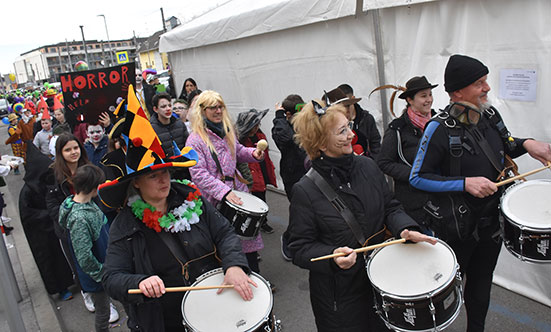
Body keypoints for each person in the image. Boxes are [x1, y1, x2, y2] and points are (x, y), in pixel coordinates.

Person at [409, 54, 551, 332]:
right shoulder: (437, 128)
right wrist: (465, 183)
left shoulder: (489, 115)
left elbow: (507, 144)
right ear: (458, 91)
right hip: (456, 229)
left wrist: (528, 143)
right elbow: (417, 178)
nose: (487, 88)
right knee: (445, 291)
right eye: (479, 83)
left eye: (485, 81)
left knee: (482, 284)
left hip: (490, 225)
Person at [99, 99, 255, 331]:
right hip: (165, 318)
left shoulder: (192, 197)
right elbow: (111, 277)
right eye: (153, 176)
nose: (164, 180)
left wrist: (234, 265)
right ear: (137, 183)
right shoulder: (126, 224)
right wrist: (139, 281)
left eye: (165, 172)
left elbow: (224, 233)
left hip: (215, 301)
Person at [287, 99, 435, 332]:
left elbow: (391, 207)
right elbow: (298, 248)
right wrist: (332, 255)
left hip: (382, 281)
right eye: (342, 131)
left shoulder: (367, 166)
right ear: (321, 144)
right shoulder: (305, 190)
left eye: (349, 126)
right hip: (340, 298)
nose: (351, 136)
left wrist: (405, 228)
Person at [186, 90, 266, 274]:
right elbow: (198, 173)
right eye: (213, 107)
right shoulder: (195, 140)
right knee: (226, 245)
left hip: (238, 191)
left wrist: (253, 154)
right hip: (215, 199)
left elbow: (237, 151)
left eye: (220, 106)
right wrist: (224, 192)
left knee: (248, 242)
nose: (218, 111)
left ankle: (254, 278)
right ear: (202, 110)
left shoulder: (226, 131)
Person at [377, 76, 438, 226]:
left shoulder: (439, 122)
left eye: (430, 94)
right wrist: (414, 174)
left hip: (439, 197)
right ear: (410, 100)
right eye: (423, 96)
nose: (429, 99)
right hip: (413, 203)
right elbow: (384, 163)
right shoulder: (397, 129)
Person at [59, 164, 112, 331]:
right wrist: (103, 274)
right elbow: (84, 256)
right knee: (103, 312)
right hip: (97, 277)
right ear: (93, 187)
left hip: (104, 269)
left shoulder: (84, 203)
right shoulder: (79, 218)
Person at [19, 143, 74, 300]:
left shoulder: (50, 182)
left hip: (55, 226)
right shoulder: (27, 192)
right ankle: (60, 288)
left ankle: (70, 280)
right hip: (41, 233)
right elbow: (27, 215)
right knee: (51, 261)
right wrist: (47, 214)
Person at [271, 94, 308, 261]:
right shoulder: (281, 128)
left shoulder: (306, 124)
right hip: (292, 175)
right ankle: (288, 238)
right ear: (288, 114)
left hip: (309, 173)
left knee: (311, 211)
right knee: (298, 211)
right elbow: (286, 139)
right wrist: (279, 117)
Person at [236, 108, 277, 234]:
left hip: (261, 173)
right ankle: (251, 225)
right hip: (249, 176)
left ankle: (262, 222)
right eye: (254, 125)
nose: (257, 127)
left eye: (258, 124)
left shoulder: (260, 136)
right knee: (250, 203)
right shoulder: (240, 141)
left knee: (261, 199)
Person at [325, 86, 382, 158]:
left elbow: (376, 146)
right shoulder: (332, 125)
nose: (346, 110)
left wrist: (372, 164)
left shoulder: (366, 118)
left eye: (347, 106)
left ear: (352, 99)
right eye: (341, 108)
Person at [150, 93, 189, 158]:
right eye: (163, 107)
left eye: (170, 105)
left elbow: (188, 145)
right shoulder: (151, 129)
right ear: (155, 109)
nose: (168, 109)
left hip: (184, 163)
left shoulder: (180, 124)